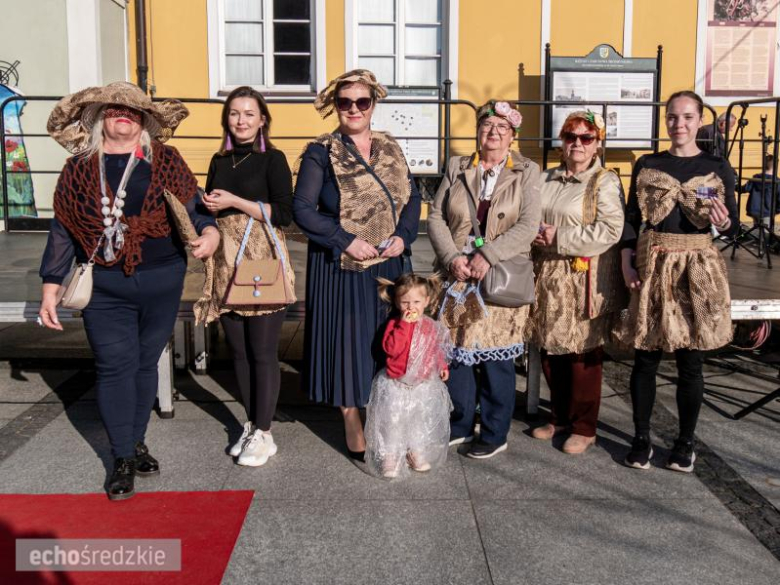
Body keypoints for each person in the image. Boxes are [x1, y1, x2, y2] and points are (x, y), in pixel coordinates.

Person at [39, 82, 220, 500]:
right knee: (114, 366)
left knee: (144, 365)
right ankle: (121, 456)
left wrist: (209, 233)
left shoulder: (165, 159)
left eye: (135, 111)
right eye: (116, 109)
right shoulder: (79, 168)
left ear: (144, 122)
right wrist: (51, 286)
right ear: (100, 117)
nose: (125, 115)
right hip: (104, 284)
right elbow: (63, 228)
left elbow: (193, 207)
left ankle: (136, 441)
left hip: (162, 279)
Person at [293, 69, 422, 460]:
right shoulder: (321, 152)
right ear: (336, 106)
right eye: (345, 102)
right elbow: (303, 209)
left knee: (392, 339)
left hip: (390, 262)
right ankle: (351, 415)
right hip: (343, 265)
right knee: (349, 341)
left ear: (373, 104)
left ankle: (391, 416)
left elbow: (413, 197)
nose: (353, 108)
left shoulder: (389, 147)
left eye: (361, 101)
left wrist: (404, 235)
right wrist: (345, 240)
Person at [618, 90, 738, 473]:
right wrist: (627, 263)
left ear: (700, 120)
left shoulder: (716, 166)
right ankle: (641, 438)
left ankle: (685, 442)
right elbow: (632, 217)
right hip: (653, 264)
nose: (679, 124)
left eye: (687, 117)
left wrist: (723, 221)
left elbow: (731, 223)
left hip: (696, 268)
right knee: (645, 356)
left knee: (690, 360)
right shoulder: (648, 163)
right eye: (672, 116)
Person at [427, 100, 541, 459]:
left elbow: (529, 225)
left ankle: (494, 431)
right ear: (478, 130)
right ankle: (460, 422)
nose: (493, 132)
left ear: (512, 135)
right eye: (487, 125)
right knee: (458, 351)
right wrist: (451, 257)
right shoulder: (458, 166)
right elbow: (436, 216)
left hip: (499, 273)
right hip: (457, 273)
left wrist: (488, 255)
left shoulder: (527, 170)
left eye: (501, 127)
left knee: (495, 355)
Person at [197, 86, 295, 467]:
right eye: (235, 113)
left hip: (261, 260)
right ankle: (252, 424)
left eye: (249, 113)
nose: (241, 120)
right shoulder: (219, 160)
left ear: (262, 120)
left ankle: (265, 433)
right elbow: (211, 211)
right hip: (226, 261)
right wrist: (207, 209)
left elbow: (285, 214)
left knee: (262, 351)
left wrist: (235, 202)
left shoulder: (273, 159)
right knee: (237, 351)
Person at [526, 110, 625, 454]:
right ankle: (560, 416)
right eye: (571, 137)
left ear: (598, 144)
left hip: (582, 276)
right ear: (562, 142)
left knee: (582, 350)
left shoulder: (604, 181)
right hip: (547, 274)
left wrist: (560, 237)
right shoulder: (545, 178)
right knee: (550, 346)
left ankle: (584, 426)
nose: (578, 144)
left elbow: (610, 229)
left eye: (586, 138)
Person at [364, 273, 453, 479]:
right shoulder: (394, 325)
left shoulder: (430, 326)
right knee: (392, 422)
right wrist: (403, 325)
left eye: (416, 302)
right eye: (405, 302)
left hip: (422, 386)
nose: (410, 307)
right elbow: (392, 349)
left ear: (426, 301)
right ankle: (391, 456)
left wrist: (442, 365)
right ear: (397, 303)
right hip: (397, 384)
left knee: (418, 420)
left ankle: (415, 451)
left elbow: (435, 349)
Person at [743, 153, 779, 229]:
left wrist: (733, 183)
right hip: (768, 211)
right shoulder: (776, 181)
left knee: (756, 229)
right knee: (767, 231)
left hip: (754, 209)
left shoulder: (755, 178)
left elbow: (745, 189)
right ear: (776, 166)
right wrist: (777, 210)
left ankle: (758, 236)